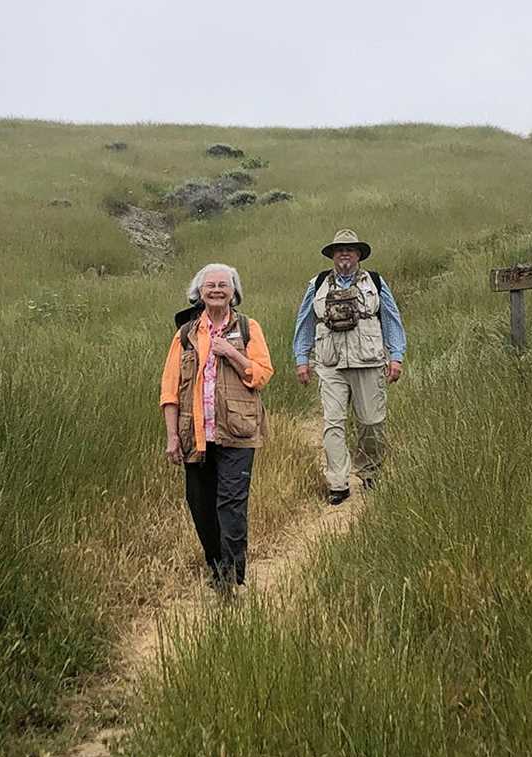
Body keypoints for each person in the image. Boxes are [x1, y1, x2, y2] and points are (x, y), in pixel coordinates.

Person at [160, 263, 275, 595]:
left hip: (238, 433)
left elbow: (263, 374)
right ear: (199, 292)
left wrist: (232, 355)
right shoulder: (185, 335)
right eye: (209, 285)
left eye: (223, 284)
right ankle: (216, 565)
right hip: (195, 434)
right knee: (200, 504)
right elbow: (169, 390)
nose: (216, 290)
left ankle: (232, 576)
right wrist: (171, 436)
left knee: (231, 504)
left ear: (233, 291)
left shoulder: (249, 328)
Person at [292, 228, 406, 505]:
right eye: (339, 249)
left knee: (371, 422)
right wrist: (302, 359)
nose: (344, 253)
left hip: (368, 361)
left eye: (350, 249)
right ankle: (338, 483)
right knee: (333, 423)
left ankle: (370, 472)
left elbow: (391, 318)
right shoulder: (317, 283)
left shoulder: (375, 282)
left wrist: (396, 356)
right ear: (332, 255)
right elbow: (305, 320)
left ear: (358, 255)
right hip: (330, 363)